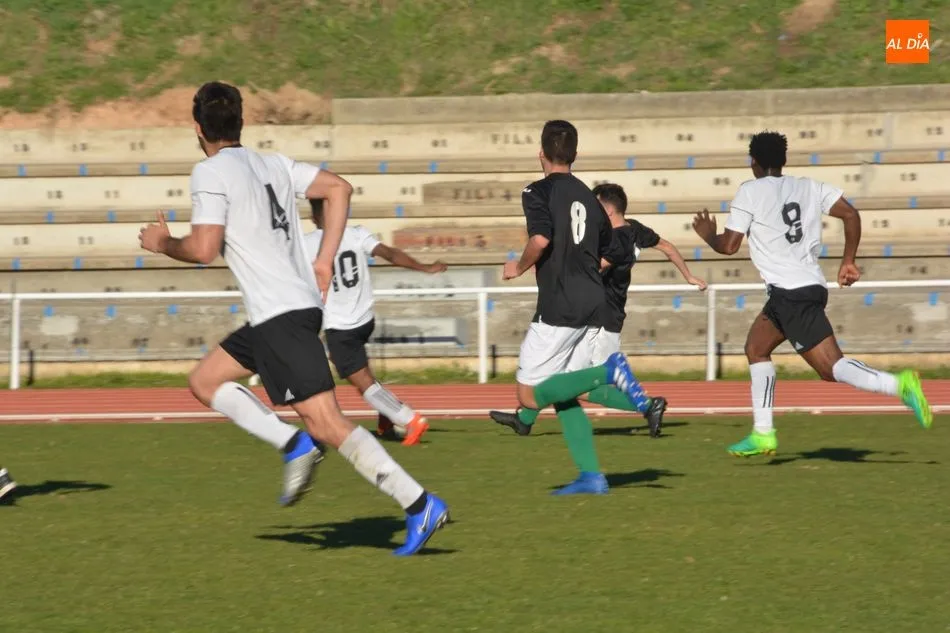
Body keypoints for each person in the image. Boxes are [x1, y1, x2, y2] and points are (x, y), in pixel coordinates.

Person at [139, 82, 448, 556]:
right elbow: (338, 189)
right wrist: (323, 260)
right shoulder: (273, 164)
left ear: (198, 128)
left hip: (279, 314)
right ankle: (292, 445)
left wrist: (162, 242)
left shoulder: (209, 172)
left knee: (326, 422)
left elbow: (202, 249)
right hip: (284, 311)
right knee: (205, 380)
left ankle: (418, 503)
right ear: (241, 123)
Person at [691, 130, 933, 457]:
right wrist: (848, 260)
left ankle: (900, 384)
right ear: (784, 160)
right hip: (802, 288)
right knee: (756, 348)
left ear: (754, 162)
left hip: (791, 294)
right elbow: (850, 213)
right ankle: (763, 434)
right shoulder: (809, 186)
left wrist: (708, 235)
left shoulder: (750, 191)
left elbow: (729, 246)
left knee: (831, 368)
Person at [491, 119, 651, 496]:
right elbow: (611, 248)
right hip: (592, 299)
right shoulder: (590, 199)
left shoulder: (536, 190)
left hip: (559, 303)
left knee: (528, 395)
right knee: (561, 395)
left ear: (540, 154)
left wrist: (519, 265)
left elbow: (541, 238)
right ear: (575, 156)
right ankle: (591, 476)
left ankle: (609, 370)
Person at [491, 183, 707, 438]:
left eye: (595, 205)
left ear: (608, 209)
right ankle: (524, 419)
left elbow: (593, 268)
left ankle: (648, 405)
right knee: (563, 376)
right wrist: (689, 275)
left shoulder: (619, 239)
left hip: (602, 320)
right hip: (594, 315)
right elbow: (667, 246)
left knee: (574, 383)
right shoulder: (634, 229)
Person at [303, 198, 447, 445]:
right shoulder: (357, 233)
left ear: (314, 218)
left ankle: (410, 419)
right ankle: (386, 418)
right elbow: (390, 254)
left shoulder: (307, 245)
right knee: (363, 373)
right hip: (364, 320)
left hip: (341, 325)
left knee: (362, 383)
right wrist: (424, 268)